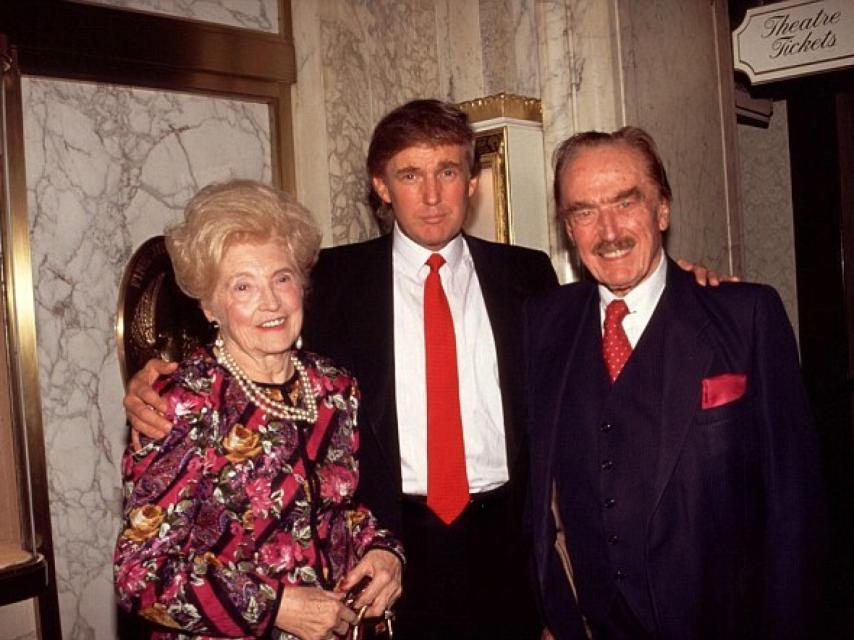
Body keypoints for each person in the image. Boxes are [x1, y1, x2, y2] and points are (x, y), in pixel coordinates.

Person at [123, 102, 727, 638]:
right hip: (387, 551)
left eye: (447, 172)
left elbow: (617, 316)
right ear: (381, 187)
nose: (432, 195)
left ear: (472, 181)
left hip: (506, 545)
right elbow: (245, 338)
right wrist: (154, 375)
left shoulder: (529, 275)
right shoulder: (329, 280)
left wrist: (688, 288)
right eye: (410, 175)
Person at [524, 127, 826, 639]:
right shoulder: (541, 323)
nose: (609, 230)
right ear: (567, 230)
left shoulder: (746, 316)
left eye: (626, 202)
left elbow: (795, 510)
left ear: (662, 209)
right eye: (584, 211)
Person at [113, 180, 403, 640]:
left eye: (281, 278)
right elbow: (140, 577)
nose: (270, 302)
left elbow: (340, 508)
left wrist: (385, 552)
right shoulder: (182, 401)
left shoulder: (333, 386)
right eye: (243, 285)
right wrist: (276, 607)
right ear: (210, 305)